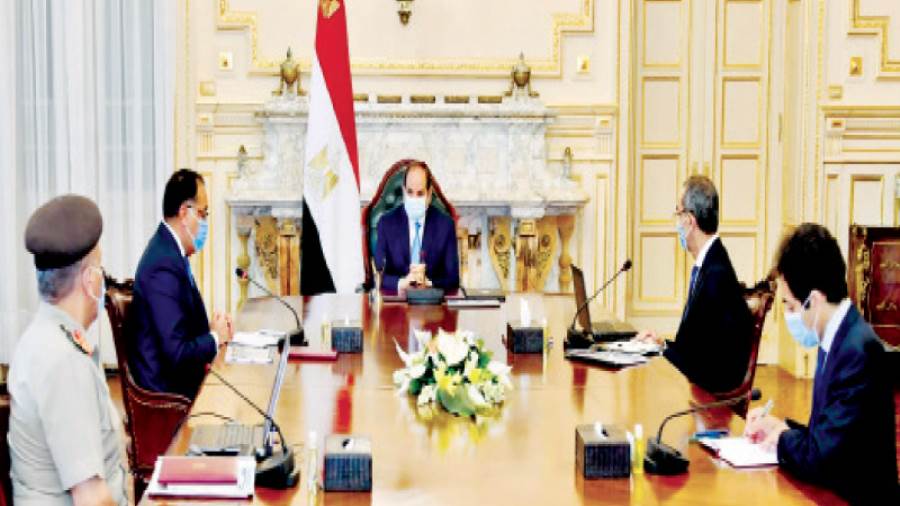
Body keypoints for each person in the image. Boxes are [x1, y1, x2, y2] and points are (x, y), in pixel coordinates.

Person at [744, 224, 898, 504]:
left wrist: (781, 438)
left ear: (813, 300)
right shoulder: (836, 335)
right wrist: (778, 427)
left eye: (790, 306)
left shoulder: (857, 351)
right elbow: (827, 436)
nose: (788, 315)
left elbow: (821, 457)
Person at [8, 195, 126, 505]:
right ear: (90, 280)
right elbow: (91, 498)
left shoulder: (44, 337)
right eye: (100, 269)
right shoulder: (62, 361)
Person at [637, 175, 753, 393]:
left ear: (690, 221)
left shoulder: (715, 275)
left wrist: (659, 351)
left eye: (678, 213)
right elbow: (693, 347)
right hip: (701, 380)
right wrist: (662, 344)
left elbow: (701, 363)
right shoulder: (711, 262)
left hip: (710, 394)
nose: (676, 222)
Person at [130, 169, 233, 400]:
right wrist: (214, 338)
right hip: (167, 396)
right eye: (203, 214)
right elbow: (177, 353)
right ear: (184, 213)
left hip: (178, 383)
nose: (205, 223)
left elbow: (179, 329)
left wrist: (211, 330)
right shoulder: (163, 265)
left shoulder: (171, 253)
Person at [374, 160, 460, 292]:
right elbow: (378, 274)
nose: (414, 198)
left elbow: (453, 278)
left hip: (431, 302)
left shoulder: (445, 225)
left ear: (429, 194)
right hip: (397, 302)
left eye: (420, 193)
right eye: (409, 192)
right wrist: (402, 283)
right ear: (403, 191)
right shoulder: (386, 223)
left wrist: (429, 283)